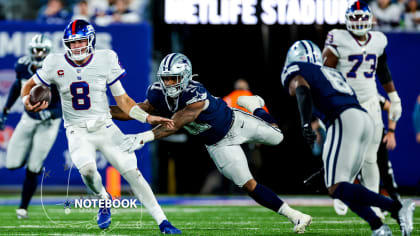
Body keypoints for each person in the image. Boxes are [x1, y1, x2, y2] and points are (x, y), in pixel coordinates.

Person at [111, 52, 312, 234]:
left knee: (278, 137)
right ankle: (295, 215)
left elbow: (175, 123)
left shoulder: (195, 93)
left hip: (236, 123)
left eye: (175, 78)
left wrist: (143, 137)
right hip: (218, 144)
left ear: (187, 77)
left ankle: (254, 106)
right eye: (166, 79)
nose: (170, 84)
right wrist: (103, 112)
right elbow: (136, 110)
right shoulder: (156, 93)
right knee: (248, 185)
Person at [20, 20, 181, 234]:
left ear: (91, 40)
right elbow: (29, 86)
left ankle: (163, 222)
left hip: (105, 127)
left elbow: (123, 100)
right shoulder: (54, 62)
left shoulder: (106, 58)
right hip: (77, 130)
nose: (77, 47)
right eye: (73, 43)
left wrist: (147, 118)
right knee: (87, 170)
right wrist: (26, 101)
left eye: (81, 42)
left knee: (133, 173)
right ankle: (103, 200)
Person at [281, 39, 414, 236]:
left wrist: (306, 122)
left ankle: (395, 207)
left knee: (337, 187)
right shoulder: (331, 72)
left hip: (343, 119)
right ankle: (378, 226)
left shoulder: (296, 69)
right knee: (341, 186)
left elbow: (300, 86)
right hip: (362, 119)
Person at [323, 0, 403, 218]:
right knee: (346, 155)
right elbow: (325, 71)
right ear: (348, 20)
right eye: (354, 18)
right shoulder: (338, 38)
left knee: (370, 157)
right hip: (346, 103)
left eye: (361, 18)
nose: (358, 22)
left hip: (370, 103)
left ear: (369, 19)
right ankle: (342, 192)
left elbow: (383, 70)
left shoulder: (378, 41)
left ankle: (375, 203)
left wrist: (393, 97)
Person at [0, 34, 61, 219]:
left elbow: (66, 104)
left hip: (49, 123)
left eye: (43, 50)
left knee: (34, 166)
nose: (39, 53)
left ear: (49, 52)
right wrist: (6, 108)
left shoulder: (56, 71)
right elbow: (17, 87)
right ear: (30, 51)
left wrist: (50, 112)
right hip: (28, 118)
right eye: (36, 50)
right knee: (11, 164)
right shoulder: (23, 66)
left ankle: (23, 207)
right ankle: (30, 159)